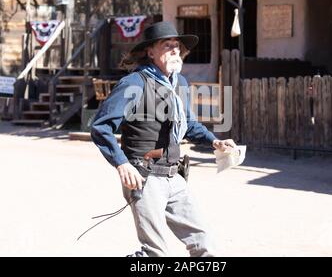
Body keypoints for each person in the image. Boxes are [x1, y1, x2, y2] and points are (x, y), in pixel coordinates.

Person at [91, 21, 236, 257]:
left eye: (177, 46)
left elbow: (188, 124)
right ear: (150, 52)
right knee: (155, 255)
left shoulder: (180, 84)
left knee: (206, 245)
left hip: (174, 176)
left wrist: (214, 141)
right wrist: (122, 163)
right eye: (167, 45)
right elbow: (101, 126)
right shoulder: (135, 83)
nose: (175, 50)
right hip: (144, 177)